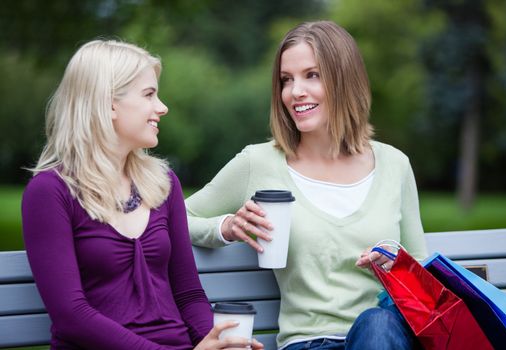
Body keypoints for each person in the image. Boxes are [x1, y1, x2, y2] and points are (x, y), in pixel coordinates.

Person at [186, 21, 428, 350]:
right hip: (310, 342)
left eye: (311, 75)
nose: (295, 91)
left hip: (384, 338)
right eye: (286, 80)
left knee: (376, 323)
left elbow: (422, 280)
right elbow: (175, 218)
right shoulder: (258, 163)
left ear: (344, 79)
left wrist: (395, 266)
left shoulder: (394, 165)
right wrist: (226, 227)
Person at [21, 39, 264, 350]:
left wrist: (217, 343)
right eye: (149, 94)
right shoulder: (51, 192)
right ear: (108, 104)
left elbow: (188, 294)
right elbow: (72, 316)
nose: (162, 107)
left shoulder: (163, 184)